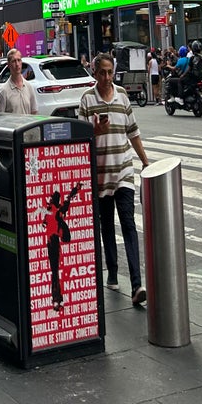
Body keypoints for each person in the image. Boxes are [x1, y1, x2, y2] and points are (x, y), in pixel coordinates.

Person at [78, 52, 150, 307]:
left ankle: (136, 284)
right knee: (106, 224)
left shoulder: (122, 96)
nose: (107, 78)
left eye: (110, 72)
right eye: (102, 73)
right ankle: (111, 269)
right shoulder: (87, 100)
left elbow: (133, 131)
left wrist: (144, 160)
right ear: (95, 74)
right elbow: (80, 136)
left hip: (123, 170)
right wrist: (93, 130)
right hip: (99, 174)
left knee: (128, 223)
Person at [0, 49, 38, 114]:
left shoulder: (29, 87)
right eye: (13, 61)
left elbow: (34, 112)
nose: (17, 64)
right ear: (9, 65)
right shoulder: (4, 91)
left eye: (19, 60)